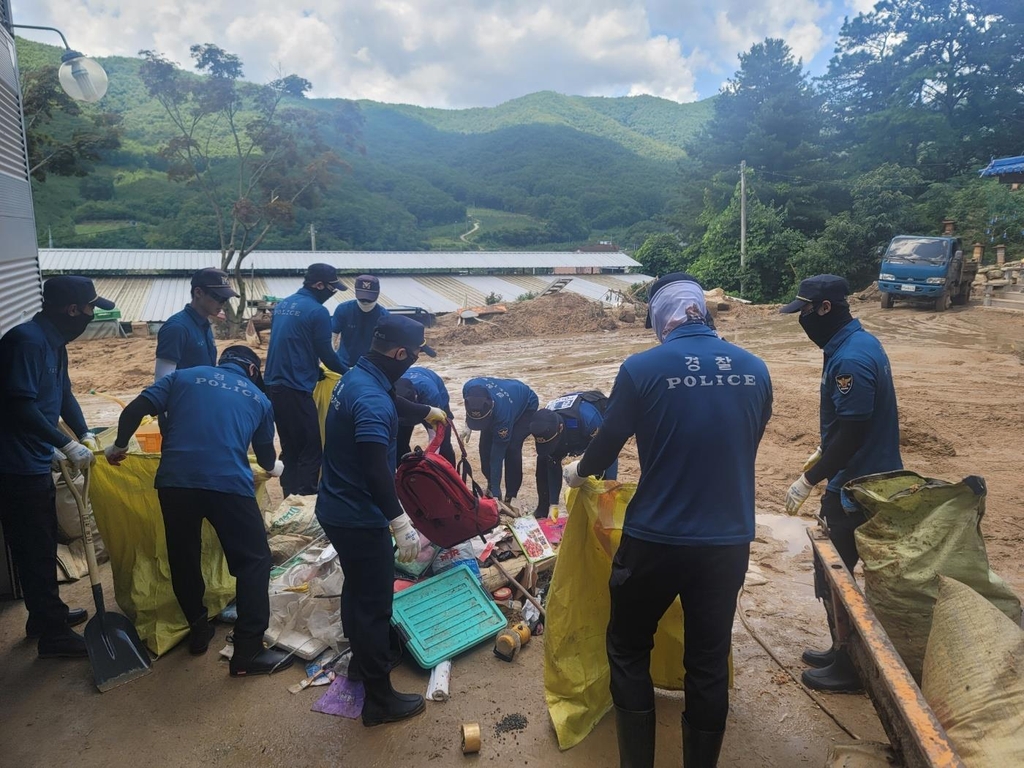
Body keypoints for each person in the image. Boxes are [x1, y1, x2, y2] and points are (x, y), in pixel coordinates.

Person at [564, 273, 772, 768]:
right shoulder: (755, 369)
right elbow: (747, 438)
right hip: (727, 542)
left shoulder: (642, 368)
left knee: (628, 647)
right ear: (702, 310)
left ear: (661, 318)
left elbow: (608, 443)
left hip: (654, 538)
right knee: (707, 661)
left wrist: (578, 471)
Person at [104, 346, 291, 675]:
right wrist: (274, 467)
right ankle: (247, 651)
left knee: (183, 554)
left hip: (175, 483)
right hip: (228, 487)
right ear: (251, 370)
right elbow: (263, 458)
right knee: (254, 562)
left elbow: (134, 410)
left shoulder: (181, 378)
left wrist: (119, 447)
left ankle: (198, 628)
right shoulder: (260, 399)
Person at [315, 315, 446, 726]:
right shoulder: (371, 400)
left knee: (357, 592)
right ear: (401, 353)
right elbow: (375, 469)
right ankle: (379, 701)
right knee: (374, 605)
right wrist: (399, 522)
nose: (413, 363)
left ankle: (361, 665)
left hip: (335, 506)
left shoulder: (360, 374)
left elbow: (392, 399)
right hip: (358, 514)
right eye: (414, 356)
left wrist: (427, 411)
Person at [780, 274, 902, 692]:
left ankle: (851, 666)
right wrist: (823, 449)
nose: (803, 321)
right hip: (862, 475)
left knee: (837, 575)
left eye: (805, 312)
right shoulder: (854, 344)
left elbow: (853, 433)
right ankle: (842, 649)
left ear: (825, 308)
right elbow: (848, 426)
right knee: (837, 572)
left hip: (856, 485)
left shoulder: (850, 358)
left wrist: (809, 479)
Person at [0, 276, 114, 658]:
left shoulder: (53, 341)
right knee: (35, 546)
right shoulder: (27, 342)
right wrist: (61, 442)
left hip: (33, 456)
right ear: (72, 310)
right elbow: (19, 405)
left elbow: (63, 393)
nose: (89, 316)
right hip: (13, 464)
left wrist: (83, 435)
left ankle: (45, 615)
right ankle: (52, 635)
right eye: (88, 309)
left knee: (43, 540)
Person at [264, 263, 348, 497]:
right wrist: (352, 374)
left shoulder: (283, 305)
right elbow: (327, 353)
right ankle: (306, 502)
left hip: (273, 386)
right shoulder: (317, 311)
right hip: (295, 388)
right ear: (319, 285)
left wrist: (314, 369)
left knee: (290, 446)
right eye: (332, 288)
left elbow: (292, 343)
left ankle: (289, 499)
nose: (332, 293)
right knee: (311, 448)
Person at [529, 390, 616, 518]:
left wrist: (609, 490)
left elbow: (609, 451)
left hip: (593, 421)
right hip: (567, 430)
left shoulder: (588, 419)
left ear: (560, 429)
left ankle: (603, 512)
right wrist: (554, 504)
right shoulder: (545, 422)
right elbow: (553, 463)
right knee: (543, 459)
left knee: (599, 469)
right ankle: (543, 508)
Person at [461, 377, 539, 506]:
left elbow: (497, 457)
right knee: (484, 449)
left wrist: (496, 495)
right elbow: (471, 406)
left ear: (491, 408)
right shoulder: (469, 387)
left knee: (512, 448)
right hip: (501, 403)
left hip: (526, 406)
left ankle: (510, 497)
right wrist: (468, 424)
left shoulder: (503, 414)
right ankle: (492, 486)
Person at [154, 268, 238, 381]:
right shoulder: (177, 328)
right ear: (198, 292)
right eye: (218, 298)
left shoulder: (204, 324)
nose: (222, 304)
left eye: (225, 299)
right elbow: (162, 380)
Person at [395, 366, 456, 468]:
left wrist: (431, 462)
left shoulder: (431, 394)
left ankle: (449, 478)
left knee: (443, 445)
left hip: (432, 398)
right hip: (401, 405)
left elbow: (436, 437)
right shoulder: (388, 392)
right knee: (399, 445)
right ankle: (406, 476)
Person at [332, 274, 389, 370]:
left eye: (368, 299)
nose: (365, 302)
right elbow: (332, 336)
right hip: (343, 363)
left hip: (370, 366)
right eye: (362, 298)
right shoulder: (344, 309)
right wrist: (332, 360)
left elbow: (386, 346)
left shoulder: (384, 317)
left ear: (377, 294)